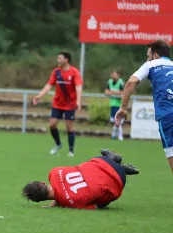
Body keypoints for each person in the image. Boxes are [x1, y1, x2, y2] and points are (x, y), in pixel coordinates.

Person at [115, 39, 173, 172]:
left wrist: (123, 108)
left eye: (148, 56)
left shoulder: (150, 65)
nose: (147, 59)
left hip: (168, 116)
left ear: (156, 55)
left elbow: (131, 83)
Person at [22, 149, 139, 210]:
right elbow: (62, 187)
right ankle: (112, 159)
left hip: (118, 180)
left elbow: (94, 207)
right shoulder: (55, 172)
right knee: (82, 168)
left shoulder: (71, 203)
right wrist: (60, 199)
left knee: (99, 201)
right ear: (43, 182)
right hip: (101, 162)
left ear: (41, 200)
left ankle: (122, 169)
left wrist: (62, 202)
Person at [32, 52, 83, 157]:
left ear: (66, 60)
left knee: (69, 126)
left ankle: (71, 151)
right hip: (57, 103)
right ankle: (58, 144)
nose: (58, 60)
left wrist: (78, 101)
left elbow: (78, 87)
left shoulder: (74, 72)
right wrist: (39, 96)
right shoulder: (56, 72)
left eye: (60, 58)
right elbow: (48, 85)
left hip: (70, 104)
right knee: (52, 124)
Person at [104, 70, 125, 141]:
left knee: (118, 121)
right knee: (114, 121)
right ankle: (114, 135)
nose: (113, 76)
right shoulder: (109, 81)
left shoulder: (121, 82)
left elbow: (122, 93)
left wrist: (112, 92)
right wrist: (116, 92)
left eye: (115, 74)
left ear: (118, 75)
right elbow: (106, 92)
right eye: (112, 74)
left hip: (119, 105)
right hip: (112, 104)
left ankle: (119, 136)